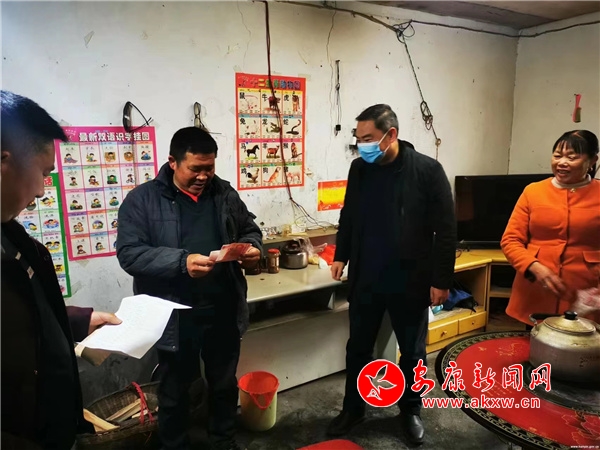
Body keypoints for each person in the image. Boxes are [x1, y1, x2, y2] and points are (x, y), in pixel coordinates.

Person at [116, 127, 263, 450]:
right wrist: (182, 262)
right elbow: (130, 254)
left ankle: (223, 441)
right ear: (173, 162)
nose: (203, 176)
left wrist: (253, 247)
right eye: (195, 169)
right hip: (173, 315)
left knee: (223, 384)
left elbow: (250, 229)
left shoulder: (224, 193)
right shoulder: (142, 200)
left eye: (209, 168)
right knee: (174, 390)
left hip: (222, 308)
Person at [328, 104, 456, 445]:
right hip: (367, 277)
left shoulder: (427, 171)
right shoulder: (360, 169)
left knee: (412, 352)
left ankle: (410, 411)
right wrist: (341, 255)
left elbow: (446, 230)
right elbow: (349, 215)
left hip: (410, 279)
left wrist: (441, 281)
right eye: (359, 139)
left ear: (391, 134)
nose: (362, 146)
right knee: (358, 348)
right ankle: (353, 408)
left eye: (368, 138)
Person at [1, 90, 121, 450]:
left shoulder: (10, 237)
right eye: (43, 173)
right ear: (3, 161)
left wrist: (81, 320)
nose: (42, 191)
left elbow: (20, 316)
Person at [501, 130, 600, 327]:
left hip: (585, 294)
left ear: (592, 160)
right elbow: (510, 240)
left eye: (572, 157)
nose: (562, 162)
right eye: (557, 155)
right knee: (532, 343)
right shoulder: (533, 191)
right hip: (535, 289)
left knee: (582, 345)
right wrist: (534, 266)